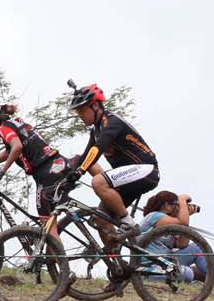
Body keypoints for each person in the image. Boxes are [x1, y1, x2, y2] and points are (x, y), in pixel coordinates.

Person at [68, 82, 159, 235]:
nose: (80, 115)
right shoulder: (96, 130)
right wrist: (66, 172)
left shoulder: (112, 122)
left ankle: (129, 223)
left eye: (82, 110)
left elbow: (98, 149)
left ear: (95, 106)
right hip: (127, 178)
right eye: (78, 112)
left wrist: (80, 171)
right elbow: (85, 156)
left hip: (146, 170)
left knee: (98, 182)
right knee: (101, 222)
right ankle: (116, 257)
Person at [0, 102, 70, 224]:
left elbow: (16, 148)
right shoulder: (16, 123)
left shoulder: (4, 129)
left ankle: (53, 242)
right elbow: (10, 151)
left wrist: (2, 172)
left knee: (46, 225)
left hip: (45, 173)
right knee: (49, 222)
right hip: (55, 162)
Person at [139, 190, 214, 286]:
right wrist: (182, 200)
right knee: (188, 273)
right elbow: (183, 222)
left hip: (166, 262)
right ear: (166, 206)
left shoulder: (171, 225)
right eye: (177, 205)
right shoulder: (154, 216)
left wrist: (186, 214)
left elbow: (183, 245)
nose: (180, 209)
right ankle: (191, 282)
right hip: (151, 268)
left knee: (196, 248)